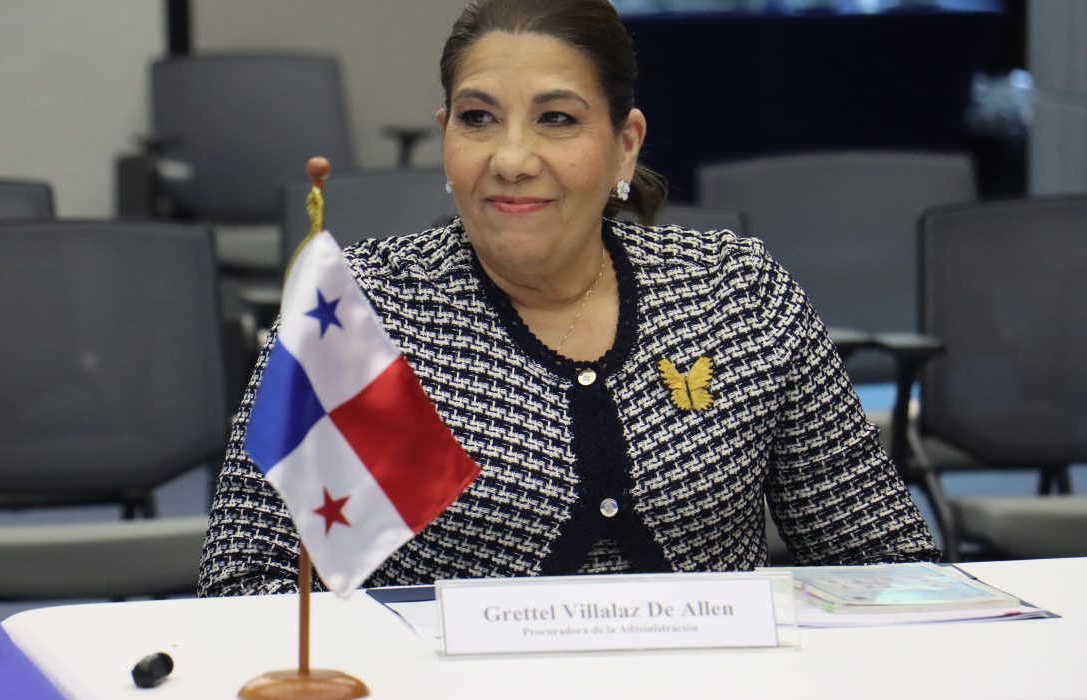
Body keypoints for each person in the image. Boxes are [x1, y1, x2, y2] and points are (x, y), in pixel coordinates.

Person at [199, 0, 938, 597]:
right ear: (445, 138)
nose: (512, 159)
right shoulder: (366, 311)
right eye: (478, 118)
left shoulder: (734, 292)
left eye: (557, 119)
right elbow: (248, 586)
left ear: (625, 144)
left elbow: (883, 561)